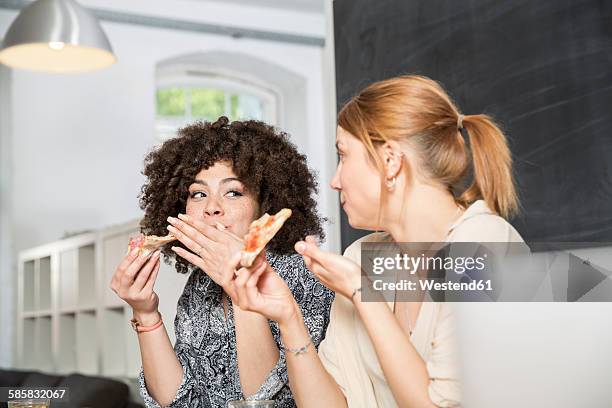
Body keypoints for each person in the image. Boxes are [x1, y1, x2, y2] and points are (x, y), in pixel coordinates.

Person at [224, 75, 525, 407]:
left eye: (344, 155)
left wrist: (361, 292)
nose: (334, 181)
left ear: (390, 161)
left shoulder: (486, 245)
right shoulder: (364, 256)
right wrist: (288, 317)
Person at [109, 117, 334, 408]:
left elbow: (266, 402)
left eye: (233, 192)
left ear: (264, 205)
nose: (212, 208)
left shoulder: (303, 276)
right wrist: (145, 312)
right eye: (198, 194)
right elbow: (179, 401)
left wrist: (240, 280)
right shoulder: (200, 286)